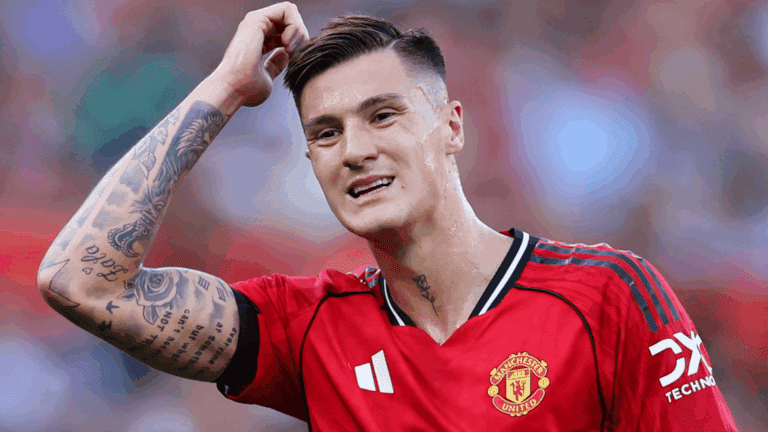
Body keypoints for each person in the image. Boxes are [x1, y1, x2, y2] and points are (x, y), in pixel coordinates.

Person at [37, 2, 737, 430]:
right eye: (326, 133)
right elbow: (80, 283)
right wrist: (223, 90)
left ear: (452, 126)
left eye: (382, 116)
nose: (355, 150)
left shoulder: (609, 294)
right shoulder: (310, 329)